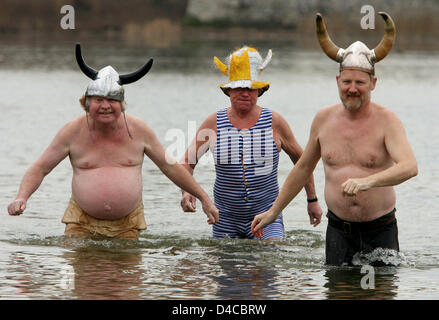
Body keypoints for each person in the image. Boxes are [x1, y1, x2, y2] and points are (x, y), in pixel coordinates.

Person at [251, 13, 418, 265]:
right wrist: (274, 211)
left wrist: (368, 182)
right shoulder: (323, 119)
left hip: (380, 230)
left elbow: (409, 167)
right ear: (337, 81)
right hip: (338, 230)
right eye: (347, 81)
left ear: (373, 83)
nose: (352, 88)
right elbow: (303, 167)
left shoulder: (388, 121)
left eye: (360, 82)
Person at [7, 43, 218, 240]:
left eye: (112, 100)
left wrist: (203, 198)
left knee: (126, 279)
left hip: (128, 225)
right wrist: (21, 197)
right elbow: (41, 168)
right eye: (99, 100)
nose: (105, 106)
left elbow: (169, 167)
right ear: (87, 103)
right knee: (83, 278)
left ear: (122, 104)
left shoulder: (139, 130)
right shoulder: (72, 131)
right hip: (80, 223)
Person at [180, 46, 323, 240]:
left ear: (260, 90)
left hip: (267, 215)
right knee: (224, 267)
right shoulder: (213, 122)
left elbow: (303, 162)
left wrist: (312, 200)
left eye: (250, 88)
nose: (245, 93)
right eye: (239, 87)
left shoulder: (275, 122)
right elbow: (186, 163)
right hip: (225, 218)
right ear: (229, 90)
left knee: (270, 258)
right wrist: (187, 192)